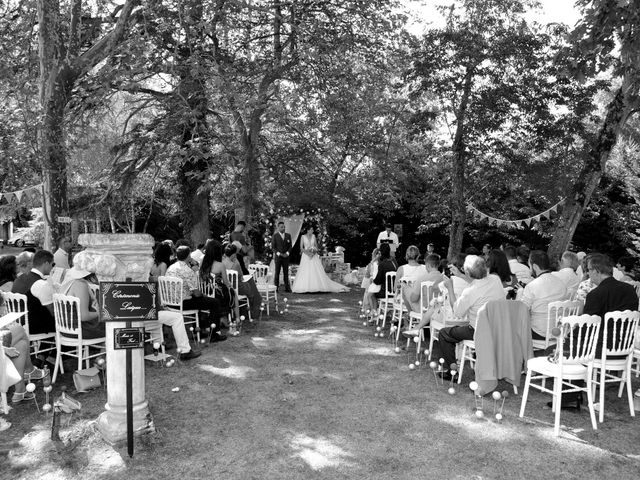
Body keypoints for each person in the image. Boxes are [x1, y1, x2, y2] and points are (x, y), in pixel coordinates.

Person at [436, 255, 505, 379]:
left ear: (467, 272)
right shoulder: (495, 280)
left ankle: (451, 372)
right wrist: (460, 275)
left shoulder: (470, 291)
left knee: (444, 334)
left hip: (478, 331)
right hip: (498, 328)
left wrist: (450, 288)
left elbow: (457, 312)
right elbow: (479, 282)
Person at [166, 245, 226, 346]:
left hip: (170, 303)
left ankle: (198, 330)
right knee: (214, 302)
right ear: (189, 256)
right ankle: (214, 334)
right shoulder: (188, 270)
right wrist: (203, 295)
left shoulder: (171, 268)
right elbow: (197, 293)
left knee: (199, 300)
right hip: (182, 303)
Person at [521, 250, 567, 341]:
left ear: (534, 266)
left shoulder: (532, 286)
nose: (530, 269)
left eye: (530, 266)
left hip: (539, 332)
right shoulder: (561, 283)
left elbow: (522, 310)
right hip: (559, 330)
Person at [292, 225, 349, 293]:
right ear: (308, 230)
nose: (312, 231)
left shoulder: (313, 236)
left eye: (313, 230)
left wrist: (313, 252)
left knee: (315, 270)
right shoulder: (303, 237)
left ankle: (318, 286)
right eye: (311, 229)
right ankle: (305, 286)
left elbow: (316, 246)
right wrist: (308, 253)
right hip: (306, 256)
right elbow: (301, 248)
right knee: (305, 270)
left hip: (314, 255)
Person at [12, 250, 56, 334]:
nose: (52, 267)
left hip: (19, 322)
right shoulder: (41, 283)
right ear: (46, 263)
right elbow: (53, 312)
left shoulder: (19, 278)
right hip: (35, 325)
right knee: (66, 322)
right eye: (52, 264)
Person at [58, 263, 105, 339]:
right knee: (113, 326)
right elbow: (84, 316)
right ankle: (105, 350)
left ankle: (101, 349)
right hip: (79, 330)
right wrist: (102, 313)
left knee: (107, 324)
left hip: (65, 328)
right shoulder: (80, 284)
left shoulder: (68, 282)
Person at [199, 240, 239, 324]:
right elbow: (225, 282)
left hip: (204, 290)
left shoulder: (202, 261)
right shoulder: (220, 265)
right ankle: (236, 318)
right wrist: (230, 286)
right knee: (232, 292)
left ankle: (222, 318)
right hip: (216, 292)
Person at [222, 243, 262, 319]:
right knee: (251, 289)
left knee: (249, 286)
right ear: (233, 254)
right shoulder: (235, 265)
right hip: (237, 288)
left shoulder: (222, 262)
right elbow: (241, 276)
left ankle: (245, 310)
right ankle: (252, 311)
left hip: (227, 287)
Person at [271, 222, 292, 292]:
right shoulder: (275, 236)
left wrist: (287, 253)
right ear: (278, 228)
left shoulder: (288, 235)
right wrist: (279, 254)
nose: (283, 228)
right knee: (277, 272)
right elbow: (273, 247)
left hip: (286, 257)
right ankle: (276, 288)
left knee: (286, 272)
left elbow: (290, 246)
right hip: (278, 257)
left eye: (284, 227)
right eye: (281, 227)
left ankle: (287, 287)